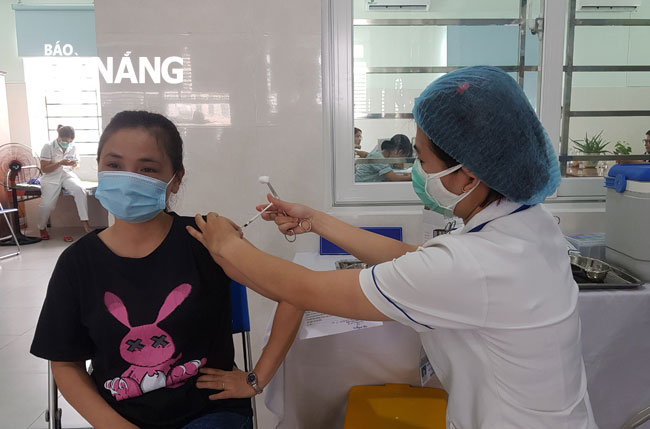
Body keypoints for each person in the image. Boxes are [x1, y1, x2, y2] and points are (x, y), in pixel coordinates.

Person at [187, 67, 597, 428]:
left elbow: (306, 289)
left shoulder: (478, 264)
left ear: (468, 175)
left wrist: (226, 245)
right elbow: (416, 261)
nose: (417, 170)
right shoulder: (525, 223)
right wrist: (317, 221)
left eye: (422, 159)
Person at [31, 111, 303, 429]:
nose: (128, 178)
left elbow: (295, 292)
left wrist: (256, 379)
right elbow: (65, 361)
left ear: (175, 180)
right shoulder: (77, 263)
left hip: (208, 412)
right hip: (120, 417)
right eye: (115, 165)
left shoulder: (207, 239)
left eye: (147, 169)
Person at [38, 125, 91, 239]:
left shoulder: (73, 147)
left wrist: (74, 165)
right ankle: (42, 227)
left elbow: (76, 164)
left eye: (68, 141)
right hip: (51, 177)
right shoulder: (48, 146)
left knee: (80, 190)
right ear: (59, 137)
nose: (66, 143)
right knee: (47, 205)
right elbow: (44, 169)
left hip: (67, 175)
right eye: (63, 141)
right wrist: (59, 163)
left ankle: (85, 224)